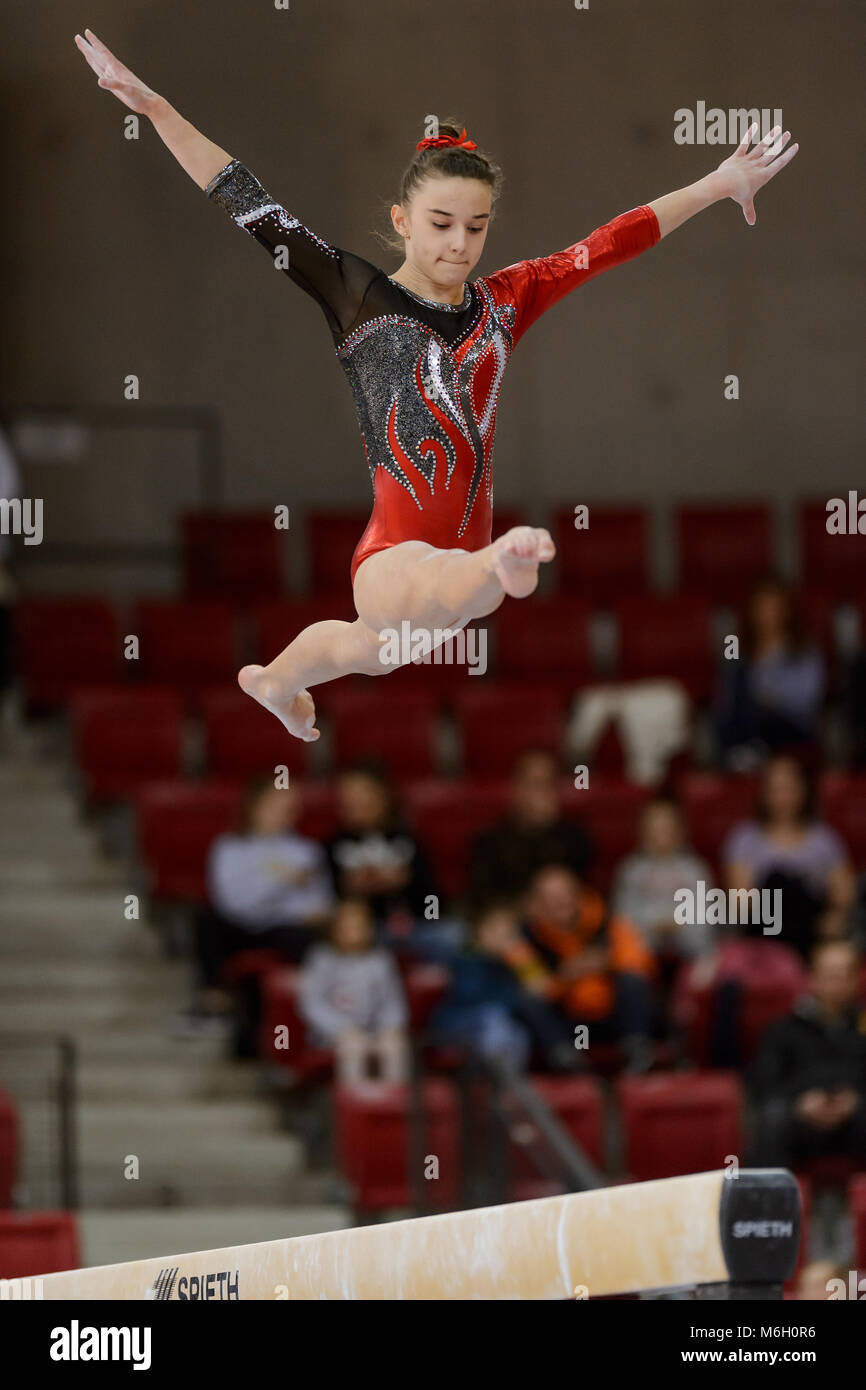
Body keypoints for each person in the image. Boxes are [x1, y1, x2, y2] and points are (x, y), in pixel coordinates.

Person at [76, 31, 799, 742]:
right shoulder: (356, 294)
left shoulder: (506, 302)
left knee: (373, 650)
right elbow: (246, 200)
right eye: (442, 224)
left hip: (450, 575)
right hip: (397, 557)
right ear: (402, 220)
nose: (460, 243)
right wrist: (157, 109)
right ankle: (501, 565)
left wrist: (718, 183)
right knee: (434, 585)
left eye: (477, 227)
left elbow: (610, 243)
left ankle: (274, 681)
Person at [523, 863, 656, 1071]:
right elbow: (533, 986)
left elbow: (640, 962)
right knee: (530, 1002)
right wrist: (565, 977)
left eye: (563, 895)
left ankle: (638, 1055)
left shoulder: (607, 921)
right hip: (575, 1028)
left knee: (633, 982)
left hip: (614, 1018)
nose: (557, 903)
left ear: (578, 895)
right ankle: (568, 1064)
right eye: (548, 898)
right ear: (536, 903)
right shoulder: (529, 937)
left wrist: (606, 962)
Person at [723, 754, 856, 960]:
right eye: (776, 789)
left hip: (811, 932)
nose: (783, 797)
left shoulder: (825, 840)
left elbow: (843, 897)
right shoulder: (744, 839)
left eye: (790, 788)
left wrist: (831, 919)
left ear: (804, 791)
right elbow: (740, 902)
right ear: (764, 794)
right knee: (778, 883)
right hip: (765, 929)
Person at [748, 939, 866, 1168]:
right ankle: (768, 1201)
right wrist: (800, 1102)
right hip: (799, 1122)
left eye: (844, 975)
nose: (837, 983)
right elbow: (764, 1082)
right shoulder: (784, 1028)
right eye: (831, 975)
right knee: (772, 1117)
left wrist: (855, 1099)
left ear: (856, 981)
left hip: (855, 1118)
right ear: (813, 978)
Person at [430, 899, 576, 1073]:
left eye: (509, 933)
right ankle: (500, 1086)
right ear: (479, 932)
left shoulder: (510, 962)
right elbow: (476, 998)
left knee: (518, 1033)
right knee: (495, 1021)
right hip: (459, 1025)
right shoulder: (467, 957)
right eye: (495, 931)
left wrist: (525, 966)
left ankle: (510, 1087)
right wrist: (519, 994)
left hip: (496, 1027)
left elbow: (542, 989)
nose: (502, 938)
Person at [715, 578, 826, 769]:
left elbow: (808, 698)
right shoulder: (734, 643)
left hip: (789, 725)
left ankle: (748, 753)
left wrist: (768, 695)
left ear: (787, 612)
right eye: (761, 608)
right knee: (737, 681)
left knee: (755, 708)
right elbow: (727, 686)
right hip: (746, 720)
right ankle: (742, 753)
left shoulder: (804, 651)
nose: (767, 615)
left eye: (773, 608)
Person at [298, 897, 409, 1084]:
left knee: (395, 1045)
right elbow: (311, 1003)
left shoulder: (381, 960)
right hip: (332, 1033)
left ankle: (393, 1105)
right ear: (335, 931)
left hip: (374, 1030)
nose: (355, 933)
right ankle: (355, 1105)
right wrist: (341, 1028)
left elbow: (392, 1001)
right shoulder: (321, 959)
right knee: (354, 1046)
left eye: (360, 927)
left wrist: (392, 1026)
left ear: (370, 929)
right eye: (348, 928)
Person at [325, 765, 440, 940]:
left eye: (361, 794)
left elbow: (435, 900)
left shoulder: (408, 839)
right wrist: (350, 888)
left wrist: (406, 879)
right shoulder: (333, 845)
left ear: (382, 796)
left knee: (451, 935)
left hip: (415, 926)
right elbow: (321, 902)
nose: (353, 801)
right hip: (357, 934)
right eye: (347, 796)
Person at [467, 750, 594, 908]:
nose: (538, 794)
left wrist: (548, 830)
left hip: (563, 925)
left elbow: (584, 893)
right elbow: (482, 900)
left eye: (546, 785)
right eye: (533, 784)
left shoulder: (573, 837)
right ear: (516, 788)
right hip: (511, 920)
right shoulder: (490, 841)